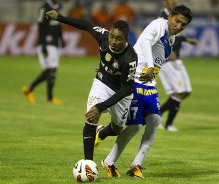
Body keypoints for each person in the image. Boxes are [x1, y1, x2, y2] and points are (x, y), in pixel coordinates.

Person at [96, 5, 193, 178]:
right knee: (134, 126)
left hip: (148, 84)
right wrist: (149, 65)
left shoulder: (171, 39)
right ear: (170, 16)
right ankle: (109, 161)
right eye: (177, 21)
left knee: (154, 121)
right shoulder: (159, 25)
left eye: (183, 25)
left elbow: (157, 61)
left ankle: (136, 165)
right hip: (133, 81)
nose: (178, 26)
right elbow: (147, 42)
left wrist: (152, 72)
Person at [45, 10, 138, 161]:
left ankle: (101, 134)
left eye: (118, 39)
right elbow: (86, 25)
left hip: (121, 92)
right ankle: (88, 164)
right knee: (91, 117)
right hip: (102, 82)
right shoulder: (103, 36)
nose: (113, 41)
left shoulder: (130, 58)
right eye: (112, 37)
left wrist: (102, 106)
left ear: (126, 39)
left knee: (118, 129)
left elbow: (127, 88)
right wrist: (60, 18)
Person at [158, 0, 197, 132]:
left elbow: (177, 34)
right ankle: (168, 124)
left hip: (177, 60)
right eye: (171, 0)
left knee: (186, 92)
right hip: (168, 61)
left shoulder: (176, 16)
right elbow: (158, 38)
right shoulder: (163, 17)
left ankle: (156, 115)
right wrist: (167, 53)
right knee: (179, 92)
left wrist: (187, 40)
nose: (174, 2)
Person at [22, 0, 64, 105]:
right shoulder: (45, 7)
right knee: (52, 70)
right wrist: (43, 43)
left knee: (51, 71)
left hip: (54, 42)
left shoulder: (58, 6)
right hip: (47, 42)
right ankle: (48, 98)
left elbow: (58, 24)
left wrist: (61, 38)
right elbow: (41, 25)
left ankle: (30, 89)